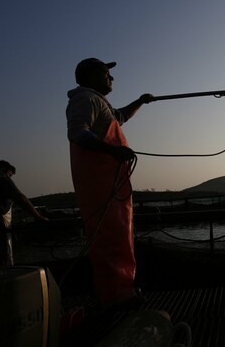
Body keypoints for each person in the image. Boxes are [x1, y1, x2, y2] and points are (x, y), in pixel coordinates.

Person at [66, 58, 154, 310]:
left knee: (119, 233)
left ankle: (121, 289)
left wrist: (140, 101)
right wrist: (112, 151)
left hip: (112, 182)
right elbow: (77, 133)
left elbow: (120, 117)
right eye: (106, 74)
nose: (111, 78)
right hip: (100, 183)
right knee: (108, 235)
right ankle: (114, 296)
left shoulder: (99, 102)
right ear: (91, 76)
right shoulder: (85, 99)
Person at [0, 160, 48, 266]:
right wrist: (38, 216)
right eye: (9, 175)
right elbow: (20, 198)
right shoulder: (2, 179)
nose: (10, 178)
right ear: (2, 171)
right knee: (2, 265)